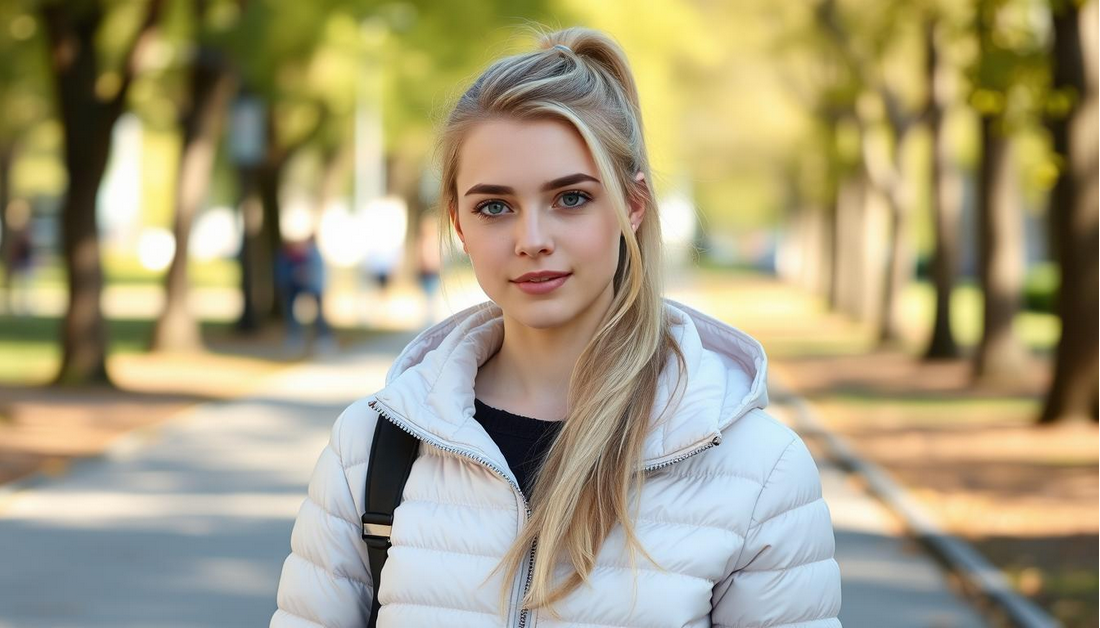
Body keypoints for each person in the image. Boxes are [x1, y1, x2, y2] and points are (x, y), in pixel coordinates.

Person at [272, 26, 842, 627]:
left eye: (570, 199)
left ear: (633, 204)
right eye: (495, 207)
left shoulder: (758, 469)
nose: (532, 241)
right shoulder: (370, 450)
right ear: (458, 224)